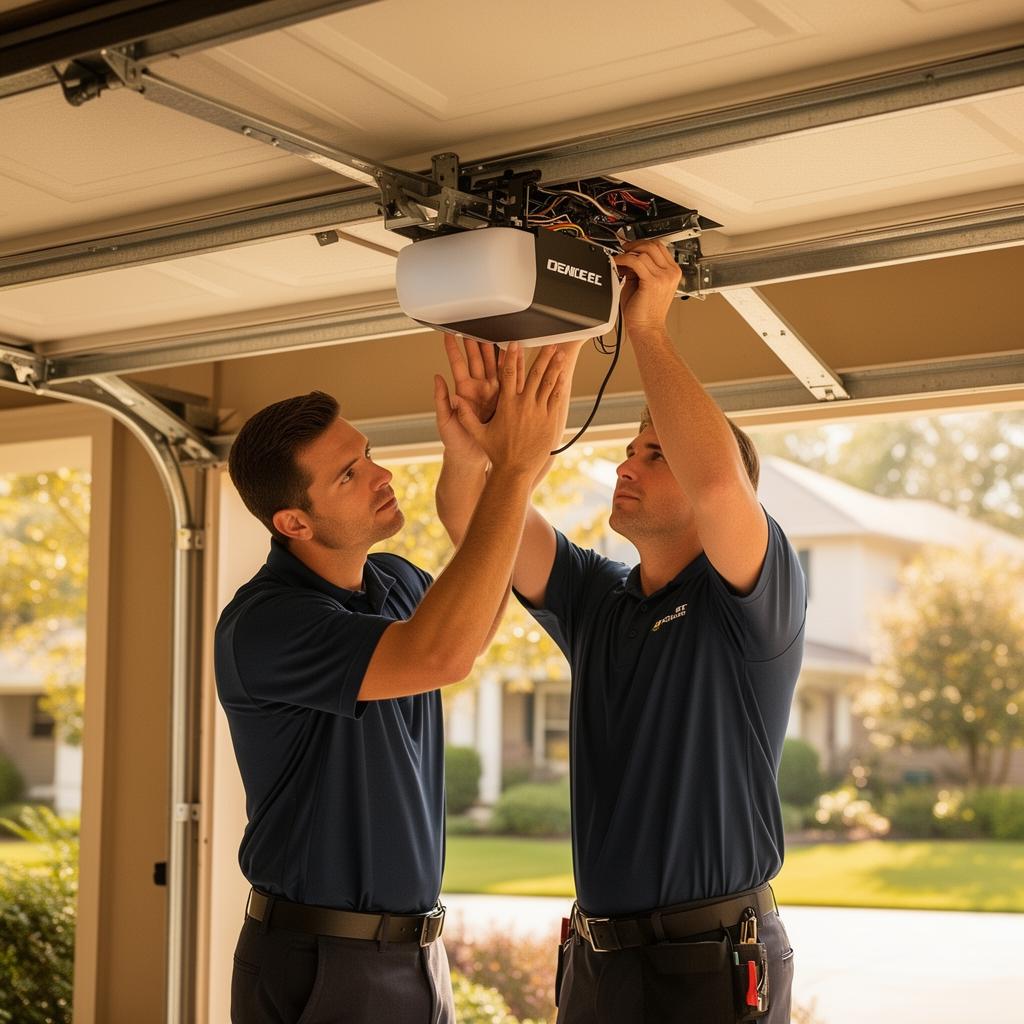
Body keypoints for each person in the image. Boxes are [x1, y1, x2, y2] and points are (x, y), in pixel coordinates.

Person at [438, 239, 806, 1024]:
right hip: (598, 963)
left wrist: (647, 328)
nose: (624, 466)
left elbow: (719, 482)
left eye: (655, 454)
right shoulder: (597, 597)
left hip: (708, 959)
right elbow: (476, 525)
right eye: (630, 450)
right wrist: (476, 450)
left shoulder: (754, 600)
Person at [214, 342, 569, 1024]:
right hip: (322, 961)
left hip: (416, 955)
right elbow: (441, 654)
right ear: (294, 523)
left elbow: (468, 629)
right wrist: (513, 471)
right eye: (349, 474)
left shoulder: (396, 582)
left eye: (368, 454)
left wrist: (474, 461)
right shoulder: (266, 624)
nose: (381, 474)